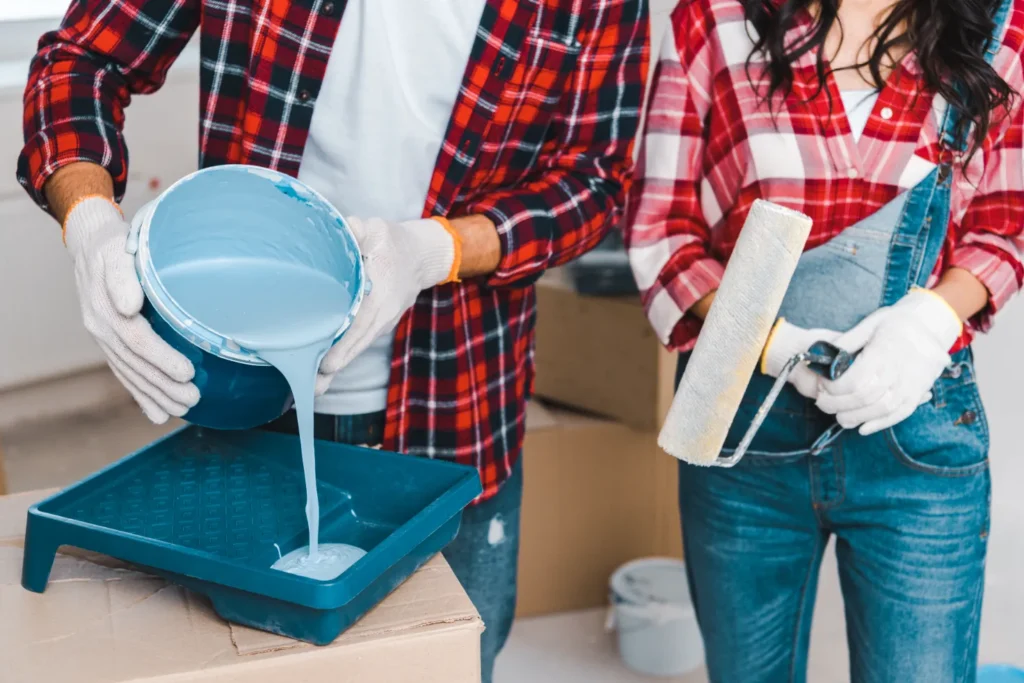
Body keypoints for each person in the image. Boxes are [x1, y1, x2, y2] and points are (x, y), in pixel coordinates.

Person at [17, 1, 649, 679]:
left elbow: (595, 181)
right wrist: (88, 221)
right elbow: (82, 59)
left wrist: (436, 249)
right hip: (244, 402)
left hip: (458, 409)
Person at [626, 0, 1023, 680]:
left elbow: (1002, 227)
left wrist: (928, 323)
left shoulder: (997, 26)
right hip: (746, 434)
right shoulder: (714, 20)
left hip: (916, 436)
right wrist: (773, 341)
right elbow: (661, 232)